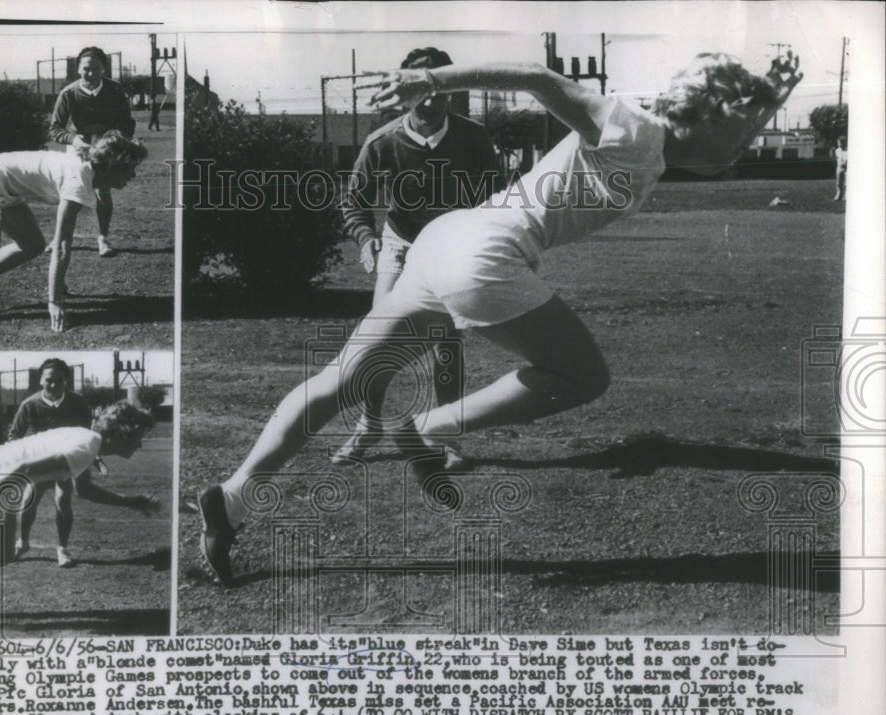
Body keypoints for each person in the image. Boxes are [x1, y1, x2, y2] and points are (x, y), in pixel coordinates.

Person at [197, 53, 803, 587]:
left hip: (445, 241)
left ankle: (233, 499)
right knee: (582, 376)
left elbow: (715, 147)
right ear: (712, 116)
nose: (746, 146)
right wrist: (430, 78)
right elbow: (537, 77)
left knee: (343, 379)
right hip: (482, 255)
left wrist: (764, 95)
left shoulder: (653, 143)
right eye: (745, 132)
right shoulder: (633, 125)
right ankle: (427, 427)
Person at [337, 47, 501, 468]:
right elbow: (353, 199)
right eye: (419, 91)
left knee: (447, 343)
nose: (429, 101)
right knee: (375, 341)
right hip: (401, 243)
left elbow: (497, 201)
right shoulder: (382, 141)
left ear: (452, 90)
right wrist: (366, 239)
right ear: (404, 91)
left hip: (451, 248)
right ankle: (369, 424)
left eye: (439, 89)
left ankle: (447, 437)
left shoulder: (475, 138)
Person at [0, 401, 158, 613]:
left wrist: (131, 502)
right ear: (124, 432)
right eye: (140, 437)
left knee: (6, 554)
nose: (141, 445)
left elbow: (85, 490)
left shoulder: (88, 442)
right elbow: (26, 469)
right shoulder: (87, 445)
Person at [0, 131, 147, 332]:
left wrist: (59, 284)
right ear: (113, 166)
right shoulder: (79, 179)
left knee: (32, 245)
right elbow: (62, 245)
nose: (133, 176)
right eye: (130, 168)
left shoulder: (87, 167)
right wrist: (55, 301)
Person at [50, 46, 137, 257]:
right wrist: (73, 139)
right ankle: (58, 239)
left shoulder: (115, 91)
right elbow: (55, 129)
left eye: (96, 69)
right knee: (71, 194)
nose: (91, 74)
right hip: (79, 148)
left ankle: (103, 239)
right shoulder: (68, 93)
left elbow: (128, 123)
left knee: (103, 193)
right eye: (86, 69)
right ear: (78, 69)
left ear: (103, 70)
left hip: (105, 149)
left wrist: (112, 142)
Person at [8, 357, 92, 567]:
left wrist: (91, 457)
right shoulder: (29, 404)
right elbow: (13, 437)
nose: (53, 385)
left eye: (59, 380)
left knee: (63, 501)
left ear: (66, 381)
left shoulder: (79, 402)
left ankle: (62, 550)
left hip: (66, 461)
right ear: (40, 380)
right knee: (28, 501)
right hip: (40, 462)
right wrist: (22, 458)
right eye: (48, 380)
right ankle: (23, 542)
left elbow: (87, 434)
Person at [833, 135, 847, 201]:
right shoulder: (837, 151)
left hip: (846, 168)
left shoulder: (847, 150)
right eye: (838, 142)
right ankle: (838, 195)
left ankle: (846, 196)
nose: (839, 144)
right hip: (839, 168)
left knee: (846, 183)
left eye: (840, 142)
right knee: (838, 183)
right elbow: (837, 158)